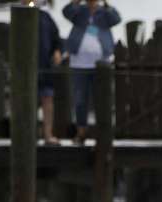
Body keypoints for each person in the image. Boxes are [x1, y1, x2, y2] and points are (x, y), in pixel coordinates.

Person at [64, 0, 121, 145]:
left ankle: (103, 133)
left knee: (102, 99)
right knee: (80, 99)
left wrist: (106, 5)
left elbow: (116, 19)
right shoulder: (79, 11)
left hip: (101, 64)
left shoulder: (105, 12)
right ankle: (81, 131)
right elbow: (66, 12)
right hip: (79, 64)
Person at [36, 1, 63, 145]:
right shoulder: (19, 16)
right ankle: (27, 135)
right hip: (26, 70)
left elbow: (57, 39)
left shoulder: (46, 17)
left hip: (45, 67)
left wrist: (58, 51)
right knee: (26, 103)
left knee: (48, 100)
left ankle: (47, 135)